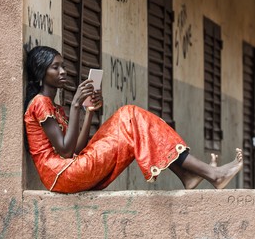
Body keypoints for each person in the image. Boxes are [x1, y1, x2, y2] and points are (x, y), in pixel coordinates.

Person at [24, 46, 243, 193]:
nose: (63, 71)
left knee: (131, 119)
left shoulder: (54, 107)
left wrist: (88, 110)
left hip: (69, 169)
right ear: (42, 72)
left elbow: (77, 148)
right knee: (130, 116)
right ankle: (211, 173)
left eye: (63, 65)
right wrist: (74, 107)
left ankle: (187, 174)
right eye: (56, 67)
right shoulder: (40, 103)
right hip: (61, 175)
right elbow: (64, 151)